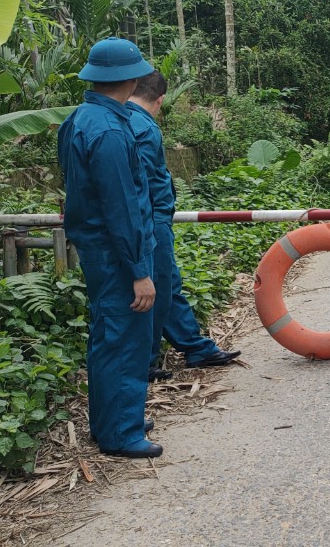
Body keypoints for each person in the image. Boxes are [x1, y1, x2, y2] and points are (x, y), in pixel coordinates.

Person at [58, 37, 161, 459]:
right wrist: (139, 270)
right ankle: (121, 432)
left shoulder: (79, 118)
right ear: (131, 77)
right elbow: (121, 205)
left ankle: (112, 419)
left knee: (106, 336)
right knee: (125, 337)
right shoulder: (111, 132)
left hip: (97, 249)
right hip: (119, 253)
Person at [127, 72, 241, 380]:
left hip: (149, 219)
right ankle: (147, 361)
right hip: (151, 221)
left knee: (167, 283)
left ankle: (195, 347)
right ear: (160, 100)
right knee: (157, 288)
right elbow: (144, 185)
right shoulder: (141, 126)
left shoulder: (124, 120)